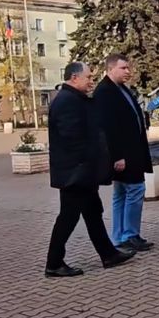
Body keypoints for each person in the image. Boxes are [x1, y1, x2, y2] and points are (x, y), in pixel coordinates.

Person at [45, 61, 135, 278]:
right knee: (68, 217)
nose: (91, 81)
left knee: (93, 213)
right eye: (88, 77)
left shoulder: (75, 99)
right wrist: (92, 161)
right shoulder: (67, 101)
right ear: (74, 78)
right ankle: (54, 263)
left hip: (82, 171)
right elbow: (73, 139)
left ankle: (108, 254)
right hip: (75, 173)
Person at [93, 53, 155, 253]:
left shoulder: (120, 89)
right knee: (136, 190)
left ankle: (119, 236)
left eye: (128, 68)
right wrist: (117, 155)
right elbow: (106, 128)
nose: (128, 71)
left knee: (121, 193)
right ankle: (130, 235)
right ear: (110, 69)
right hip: (124, 155)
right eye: (123, 68)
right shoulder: (104, 92)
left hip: (132, 152)